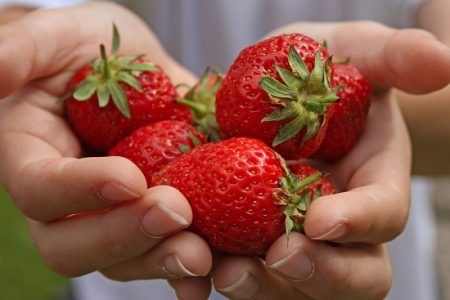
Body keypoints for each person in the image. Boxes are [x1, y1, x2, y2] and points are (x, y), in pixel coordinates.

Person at [0, 1, 448, 299]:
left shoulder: (297, 132)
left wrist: (374, 110)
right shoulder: (283, 134)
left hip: (348, 247)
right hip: (124, 270)